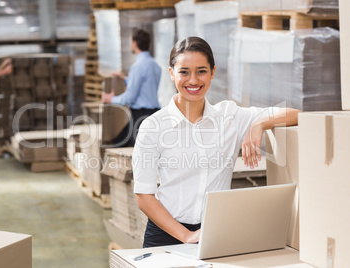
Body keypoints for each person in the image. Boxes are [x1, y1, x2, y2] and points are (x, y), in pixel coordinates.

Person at [132, 37, 301, 248]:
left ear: (213, 72)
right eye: (184, 72)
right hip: (165, 234)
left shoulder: (230, 117)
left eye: (201, 71)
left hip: (214, 232)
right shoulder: (153, 126)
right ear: (171, 73)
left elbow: (296, 114)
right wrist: (185, 235)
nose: (193, 80)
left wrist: (259, 124)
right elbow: (143, 195)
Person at [102, 29, 161, 147]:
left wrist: (111, 100)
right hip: (154, 114)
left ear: (134, 43)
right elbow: (144, 86)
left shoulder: (137, 67)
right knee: (119, 142)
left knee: (136, 152)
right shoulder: (155, 65)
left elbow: (129, 97)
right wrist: (125, 78)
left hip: (141, 116)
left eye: (130, 41)